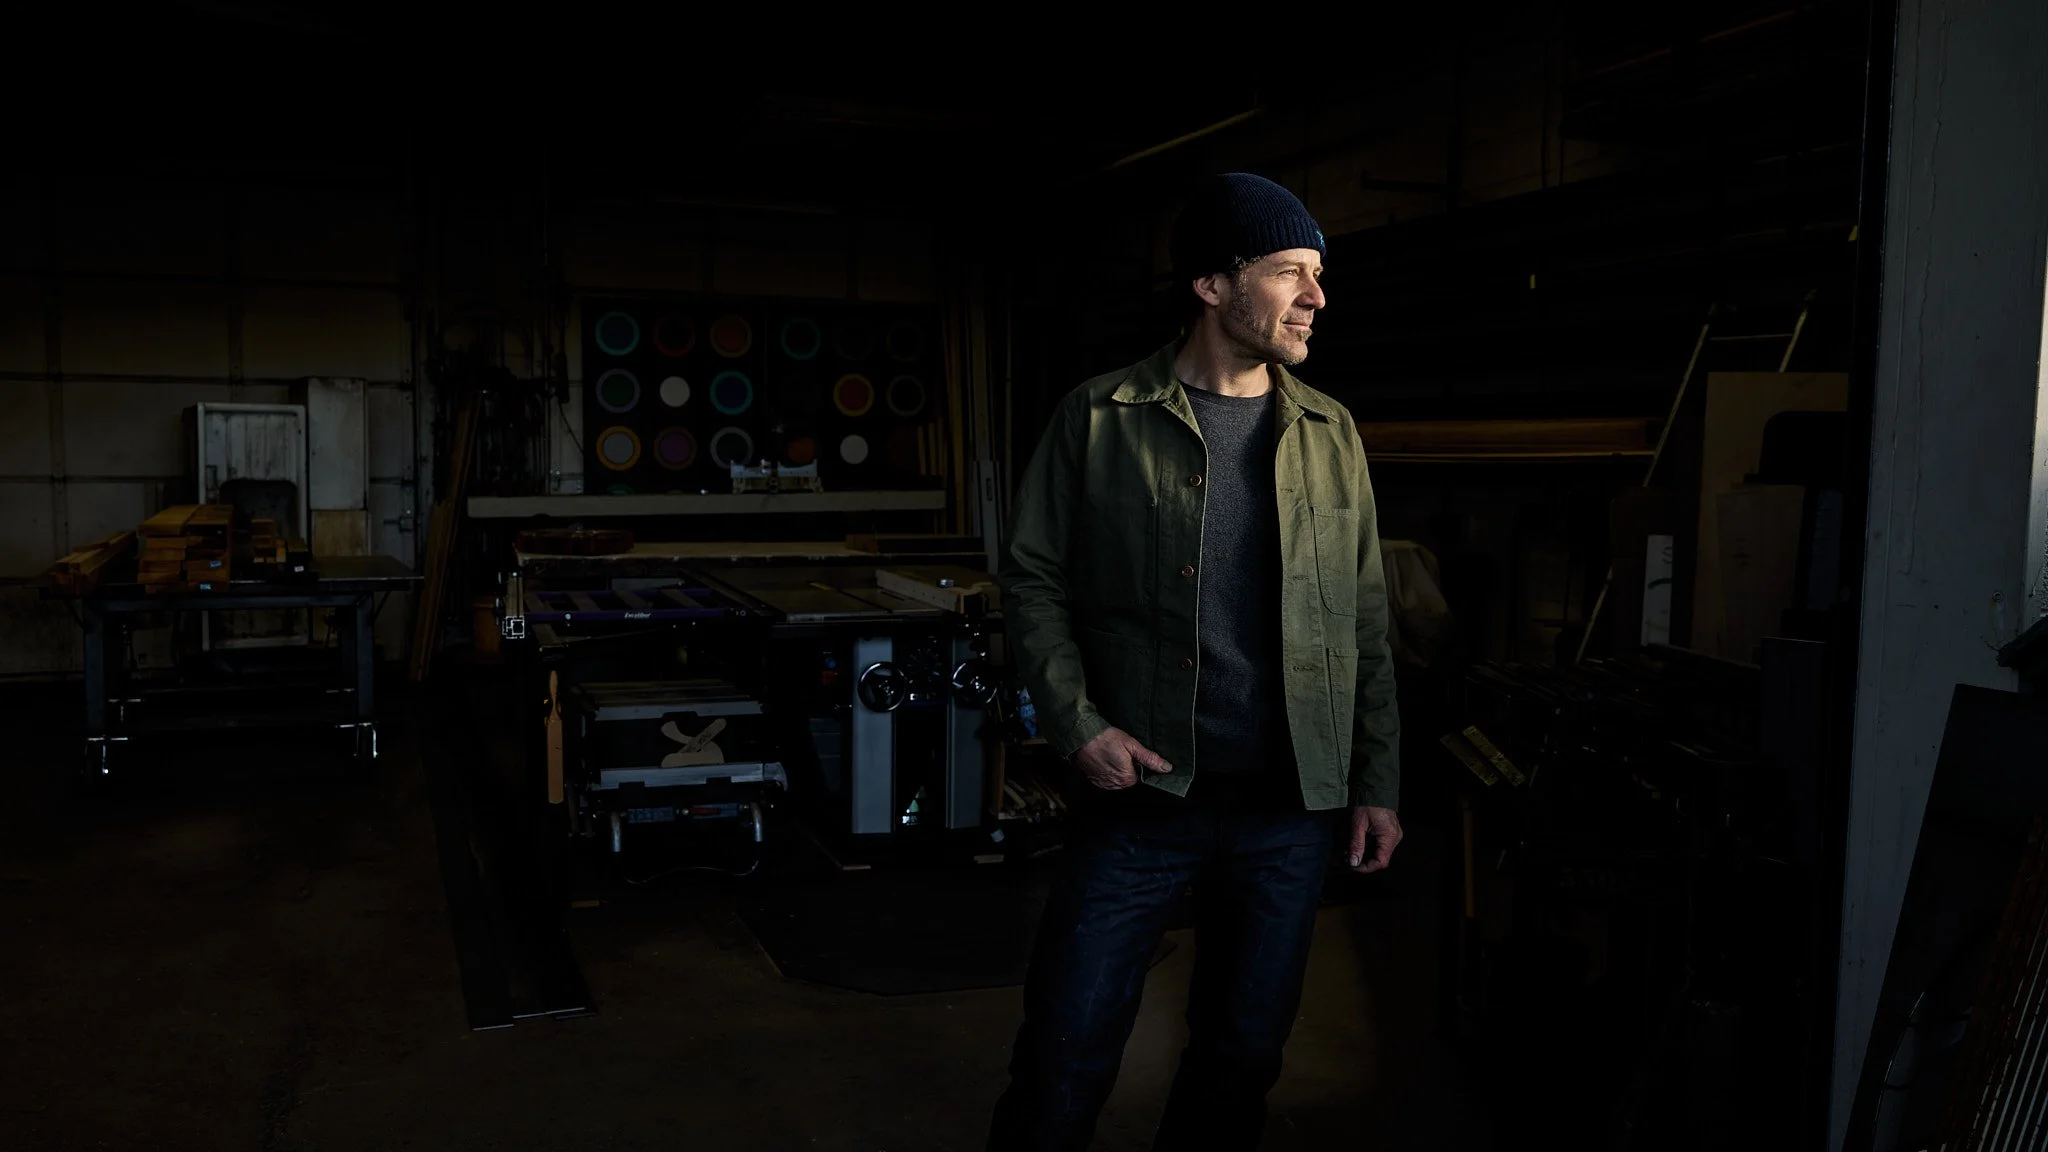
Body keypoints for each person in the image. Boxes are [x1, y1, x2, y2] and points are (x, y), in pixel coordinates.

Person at [988, 172, 1403, 1150]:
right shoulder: (1097, 418)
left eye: (1318, 275)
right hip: (1140, 801)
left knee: (1239, 1063)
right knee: (1061, 1056)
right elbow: (1032, 580)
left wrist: (1375, 777)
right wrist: (1075, 722)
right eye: (1289, 274)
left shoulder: (1328, 431)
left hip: (1285, 813)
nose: (1315, 298)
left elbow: (1364, 620)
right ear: (1212, 286)